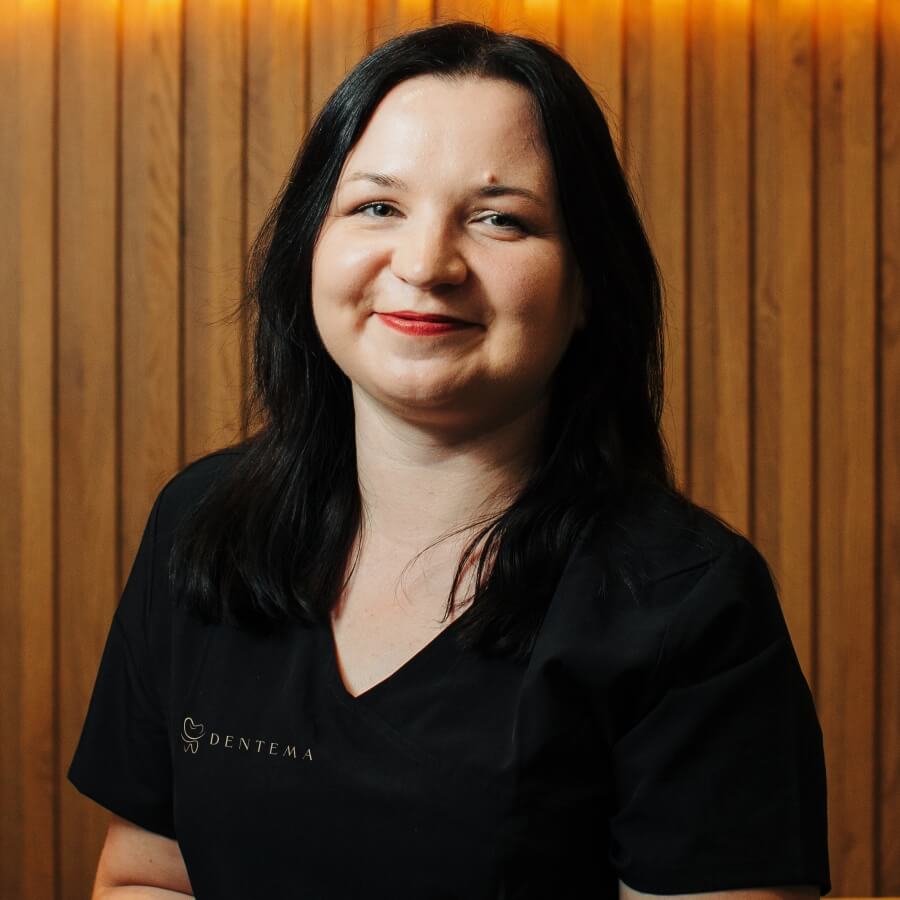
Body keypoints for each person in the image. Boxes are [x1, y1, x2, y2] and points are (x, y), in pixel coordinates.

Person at [68, 20, 830, 900]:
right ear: (310, 245)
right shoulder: (203, 524)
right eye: (377, 207)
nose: (427, 264)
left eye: (500, 218)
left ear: (588, 285)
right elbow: (148, 878)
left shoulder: (688, 603)